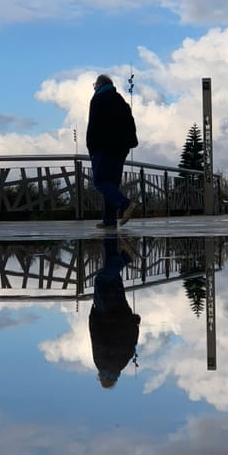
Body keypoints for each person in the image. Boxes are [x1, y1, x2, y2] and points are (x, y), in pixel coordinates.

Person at [86, 73, 139, 229]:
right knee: (111, 184)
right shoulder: (121, 101)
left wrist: (91, 147)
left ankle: (126, 204)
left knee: (100, 181)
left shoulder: (98, 99)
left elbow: (93, 125)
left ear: (100, 84)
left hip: (103, 147)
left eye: (94, 84)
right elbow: (130, 124)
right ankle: (109, 220)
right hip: (121, 149)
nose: (94, 87)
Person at [89, 235, 141, 388]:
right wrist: (93, 316)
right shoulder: (101, 364)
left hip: (122, 312)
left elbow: (133, 340)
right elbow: (96, 338)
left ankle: (110, 236)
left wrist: (134, 321)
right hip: (105, 315)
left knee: (112, 276)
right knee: (101, 280)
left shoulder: (123, 362)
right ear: (103, 378)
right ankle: (125, 258)